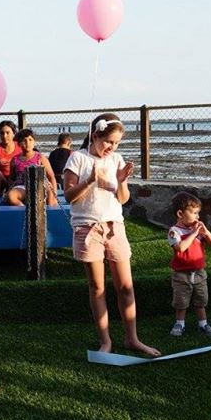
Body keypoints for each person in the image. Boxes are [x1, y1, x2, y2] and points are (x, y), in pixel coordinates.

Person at [62, 113, 160, 356]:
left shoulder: (116, 159)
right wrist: (90, 181)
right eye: (108, 141)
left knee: (125, 286)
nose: (112, 147)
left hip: (114, 226)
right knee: (97, 288)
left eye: (116, 143)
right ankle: (105, 341)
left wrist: (122, 181)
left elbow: (123, 199)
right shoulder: (77, 159)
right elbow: (69, 196)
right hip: (88, 228)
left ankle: (132, 339)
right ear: (95, 136)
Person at [167, 192, 211, 337]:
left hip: (199, 273)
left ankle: (203, 324)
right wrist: (194, 233)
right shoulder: (174, 231)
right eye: (195, 213)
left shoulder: (197, 231)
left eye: (198, 213)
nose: (198, 217)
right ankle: (180, 323)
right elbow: (181, 247)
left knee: (201, 300)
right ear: (180, 213)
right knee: (181, 301)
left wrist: (206, 232)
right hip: (181, 274)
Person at [4, 129, 58, 206]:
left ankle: (50, 211)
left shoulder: (40, 158)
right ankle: (23, 209)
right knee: (11, 196)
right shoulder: (15, 160)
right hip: (22, 187)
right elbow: (12, 178)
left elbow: (51, 177)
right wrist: (10, 189)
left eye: (30, 140)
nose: (27, 143)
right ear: (19, 143)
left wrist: (54, 195)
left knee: (49, 191)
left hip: (40, 185)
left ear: (34, 142)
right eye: (24, 140)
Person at [0, 120, 21, 196]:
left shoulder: (20, 147)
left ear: (13, 133)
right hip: (2, 180)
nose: (4, 136)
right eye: (2, 133)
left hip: (17, 179)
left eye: (7, 133)